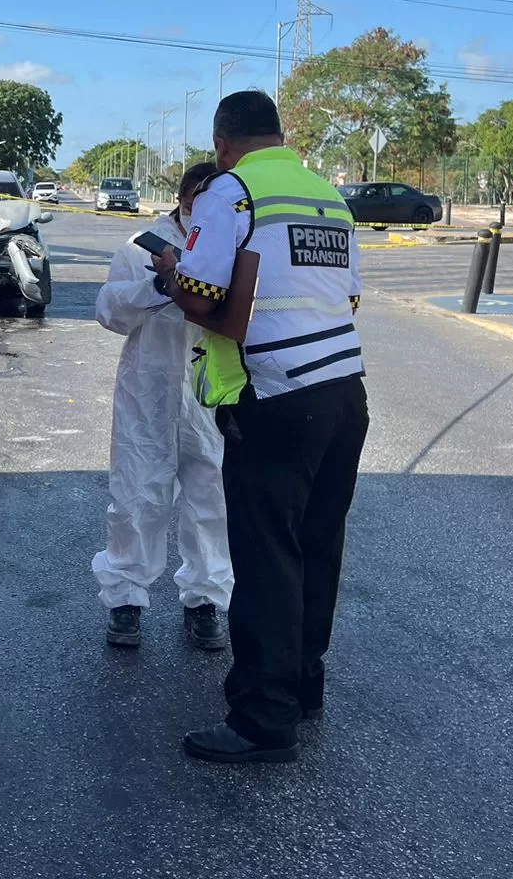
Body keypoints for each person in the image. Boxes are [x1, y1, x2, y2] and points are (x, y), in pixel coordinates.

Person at [152, 90, 369, 765]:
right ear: (279, 134)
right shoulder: (324, 194)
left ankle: (261, 720)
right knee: (315, 544)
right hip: (344, 393)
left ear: (222, 144)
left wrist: (169, 274)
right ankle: (303, 686)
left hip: (274, 396)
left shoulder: (231, 192)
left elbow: (205, 295)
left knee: (268, 555)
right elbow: (350, 294)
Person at [92, 163, 234, 650]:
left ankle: (204, 600)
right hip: (148, 391)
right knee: (136, 495)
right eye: (200, 198)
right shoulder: (141, 246)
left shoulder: (230, 244)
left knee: (211, 500)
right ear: (183, 197)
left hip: (208, 393)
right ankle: (126, 599)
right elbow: (108, 311)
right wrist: (158, 286)